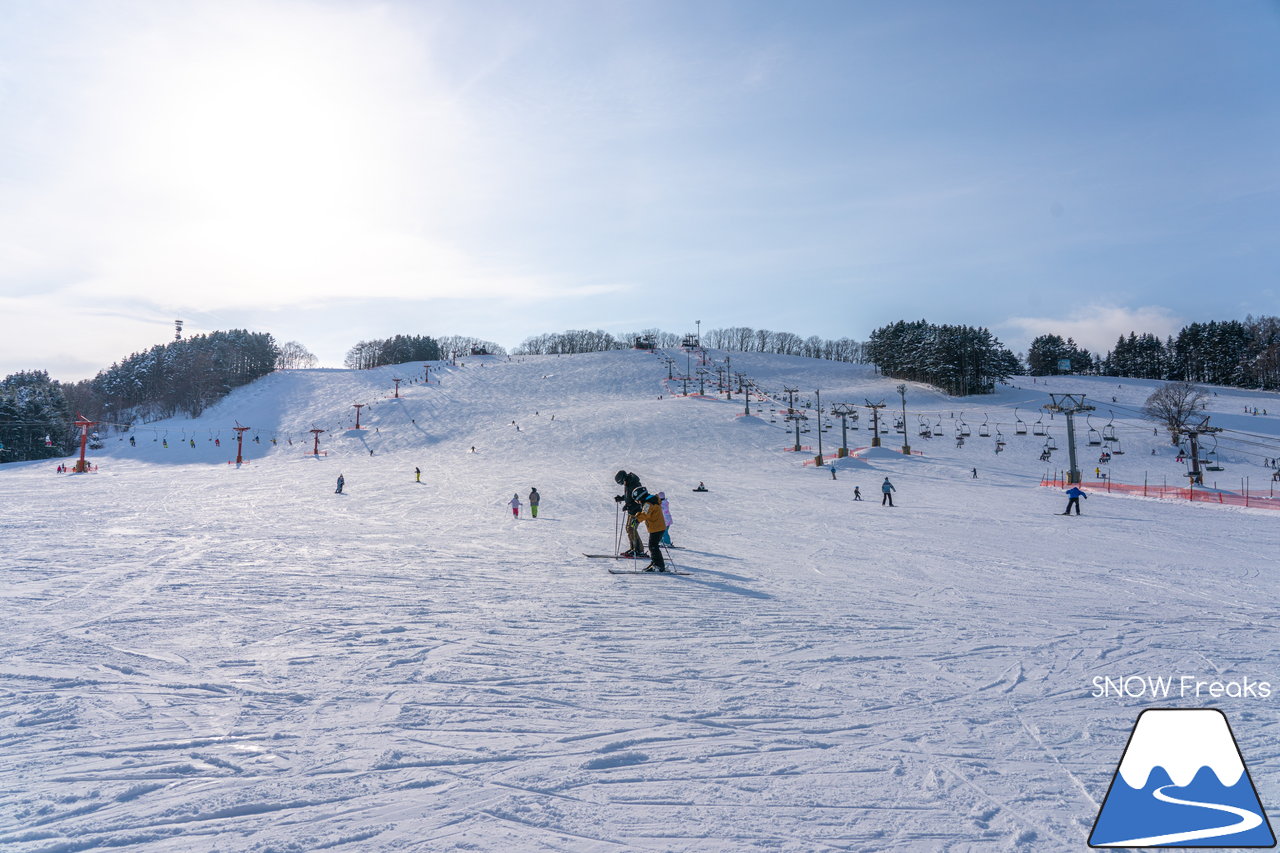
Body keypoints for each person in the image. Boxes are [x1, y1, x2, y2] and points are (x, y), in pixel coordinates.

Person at [614, 470, 648, 557]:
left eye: (622, 483)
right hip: (631, 511)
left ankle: (639, 550)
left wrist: (630, 506)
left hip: (636, 511)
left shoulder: (634, 484)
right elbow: (628, 496)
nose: (622, 484)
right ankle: (633, 548)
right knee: (629, 529)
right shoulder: (628, 483)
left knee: (632, 528)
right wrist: (621, 498)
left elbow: (639, 498)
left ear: (624, 478)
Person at [635, 491, 668, 571]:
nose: (639, 502)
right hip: (658, 527)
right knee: (653, 546)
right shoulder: (652, 501)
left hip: (656, 527)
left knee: (653, 546)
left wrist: (636, 519)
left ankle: (658, 566)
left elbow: (645, 514)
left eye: (638, 500)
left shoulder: (648, 504)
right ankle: (656, 563)